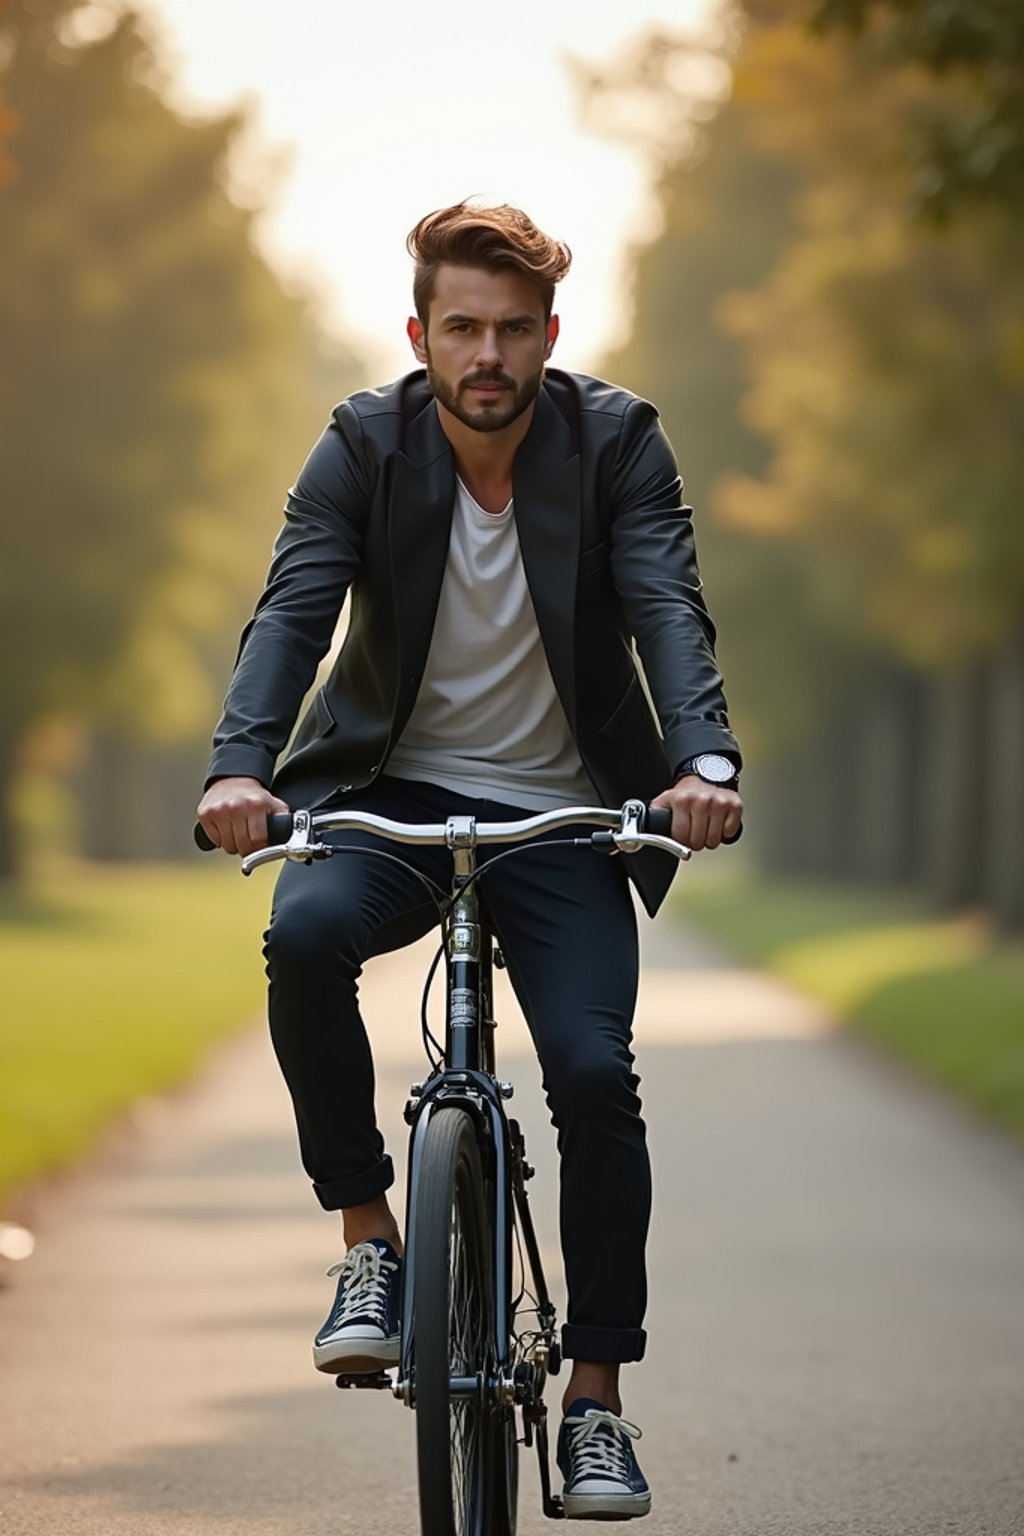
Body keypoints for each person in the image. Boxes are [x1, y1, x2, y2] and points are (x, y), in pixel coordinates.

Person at [196, 201, 742, 1522]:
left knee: (596, 1074)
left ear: (550, 336)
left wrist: (702, 767)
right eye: (463, 329)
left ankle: (598, 1403)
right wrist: (240, 766)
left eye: (512, 331)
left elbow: (666, 602)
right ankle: (369, 1243)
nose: (487, 354)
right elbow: (293, 609)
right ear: (420, 334)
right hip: (390, 794)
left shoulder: (616, 444)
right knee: (304, 937)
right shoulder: (362, 445)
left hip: (564, 817)